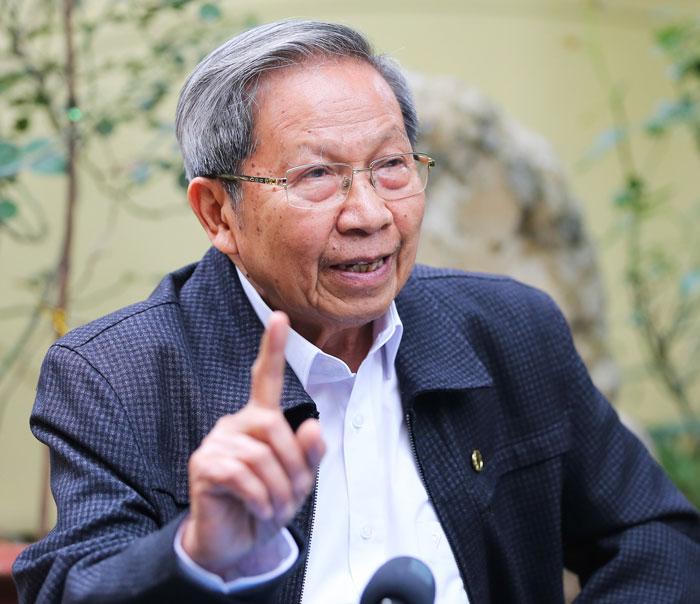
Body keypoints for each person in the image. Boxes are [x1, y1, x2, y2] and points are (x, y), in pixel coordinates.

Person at [13, 19, 700, 604]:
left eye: (392, 165)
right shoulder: (115, 375)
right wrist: (196, 552)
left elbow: (655, 535)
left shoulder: (510, 329)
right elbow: (71, 587)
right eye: (317, 175)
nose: (370, 214)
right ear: (218, 212)